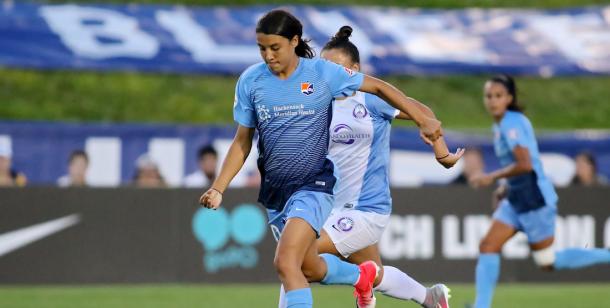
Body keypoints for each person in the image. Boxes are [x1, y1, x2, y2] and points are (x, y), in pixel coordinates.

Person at [199, 10, 443, 308]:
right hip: (286, 197)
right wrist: (218, 187)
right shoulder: (253, 82)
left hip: (335, 196)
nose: (268, 55)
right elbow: (242, 141)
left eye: (274, 48)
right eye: (262, 48)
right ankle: (419, 295)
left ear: (294, 41)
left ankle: (367, 281)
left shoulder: (330, 80)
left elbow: (387, 91)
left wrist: (428, 128)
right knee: (319, 267)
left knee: (289, 261)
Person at [276, 26, 459, 308]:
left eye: (337, 67)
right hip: (327, 207)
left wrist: (441, 150)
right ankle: (430, 298)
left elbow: (422, 113)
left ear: (355, 69)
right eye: (324, 67)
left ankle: (362, 284)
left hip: (365, 210)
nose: (330, 74)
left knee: (294, 258)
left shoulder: (371, 100)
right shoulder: (318, 104)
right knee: (373, 273)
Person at [469, 75, 610, 308]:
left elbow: (525, 164)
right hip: (516, 198)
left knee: (547, 261)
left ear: (509, 98)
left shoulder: (511, 123)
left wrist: (490, 177)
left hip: (535, 199)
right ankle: (481, 306)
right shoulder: (502, 123)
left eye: (498, 96)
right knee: (488, 246)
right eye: (489, 96)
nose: (492, 101)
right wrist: (504, 187)